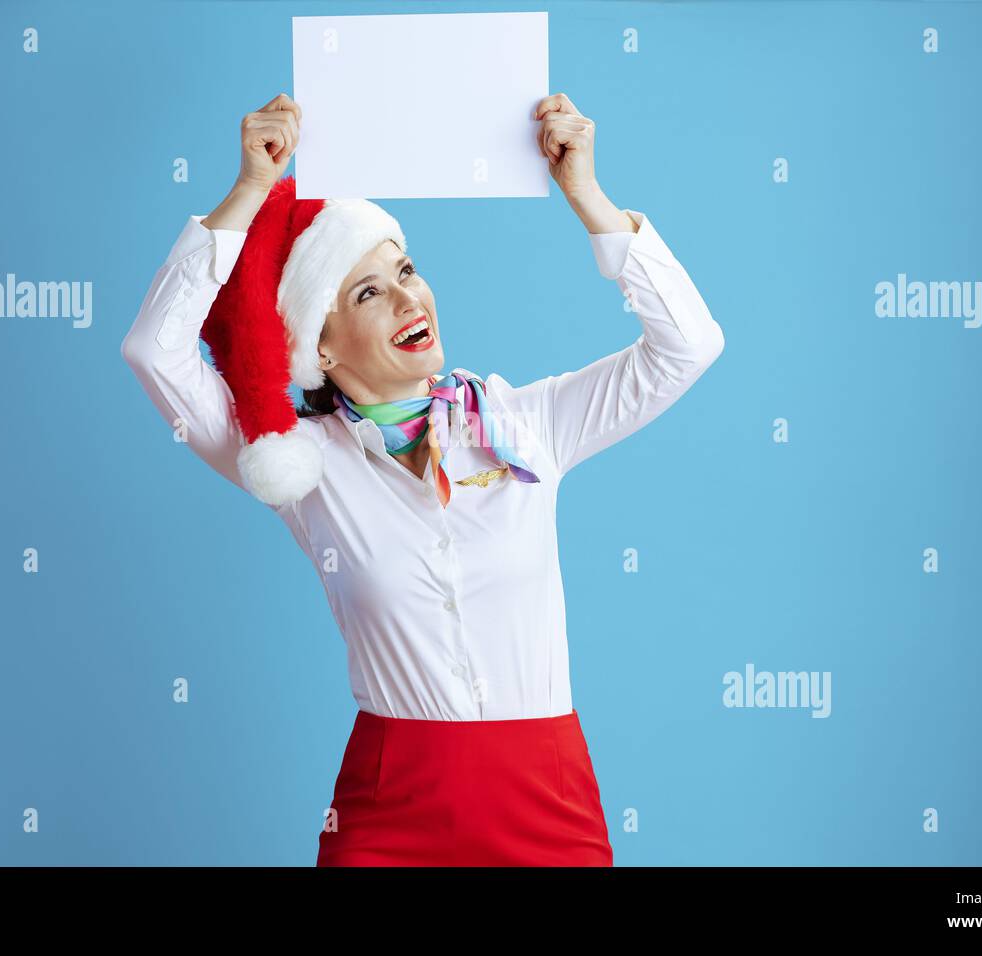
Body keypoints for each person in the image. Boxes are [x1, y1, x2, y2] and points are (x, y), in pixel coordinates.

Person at [120, 92, 725, 866]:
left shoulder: (522, 424)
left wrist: (588, 196)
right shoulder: (299, 461)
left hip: (549, 801)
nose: (411, 295)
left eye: (405, 268)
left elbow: (688, 346)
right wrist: (245, 193)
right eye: (368, 291)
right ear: (320, 349)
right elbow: (155, 353)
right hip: (388, 813)